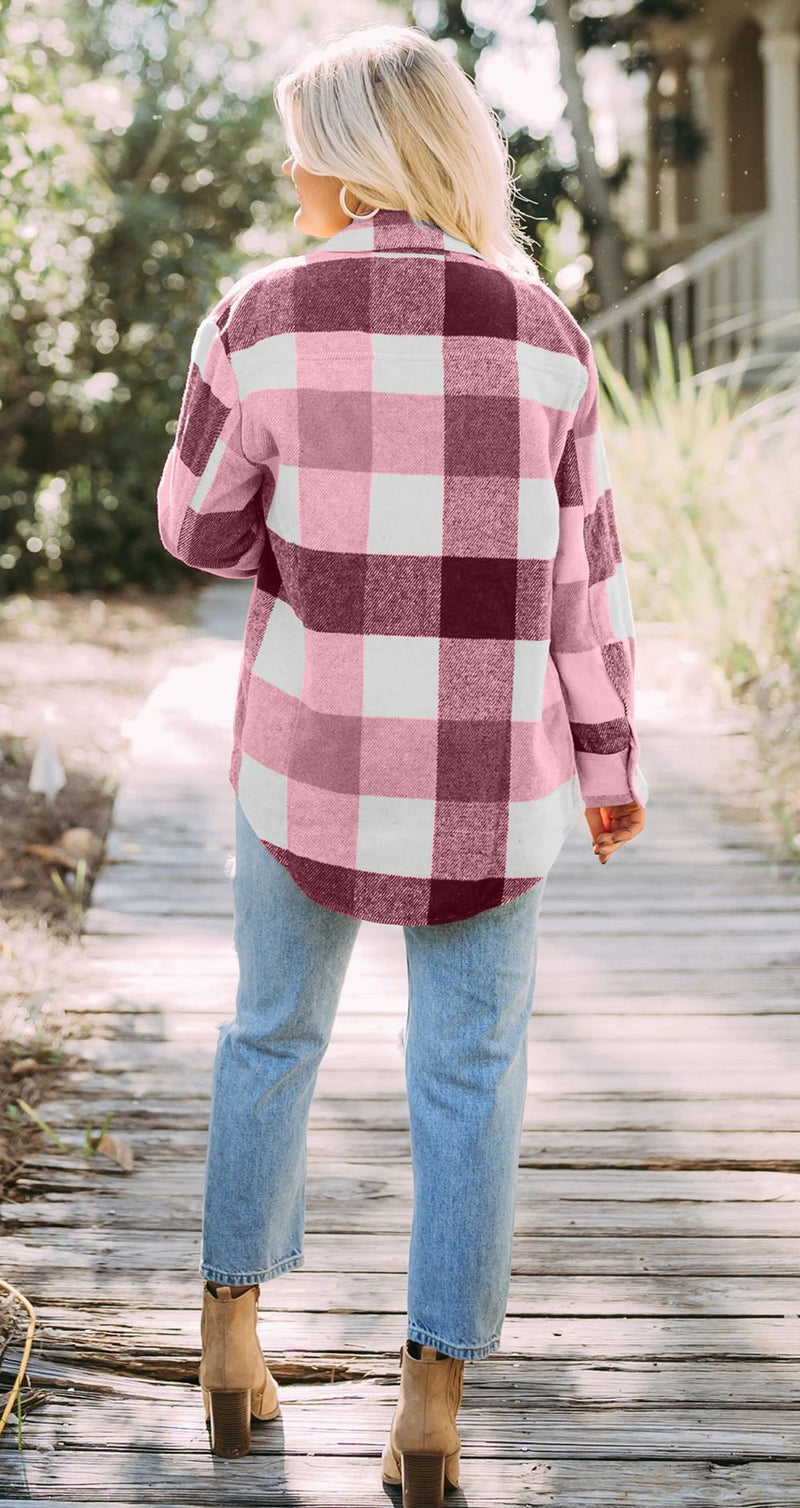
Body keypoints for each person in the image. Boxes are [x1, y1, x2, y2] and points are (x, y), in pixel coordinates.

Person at [156, 20, 648, 1504]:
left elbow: (195, 528)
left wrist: (296, 533)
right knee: (473, 1074)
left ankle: (228, 1340)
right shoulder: (546, 329)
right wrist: (612, 761)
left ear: (351, 151)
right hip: (495, 777)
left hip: (304, 756)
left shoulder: (256, 317)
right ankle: (429, 1404)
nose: (287, 165)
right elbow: (587, 584)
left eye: (300, 136)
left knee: (269, 1038)